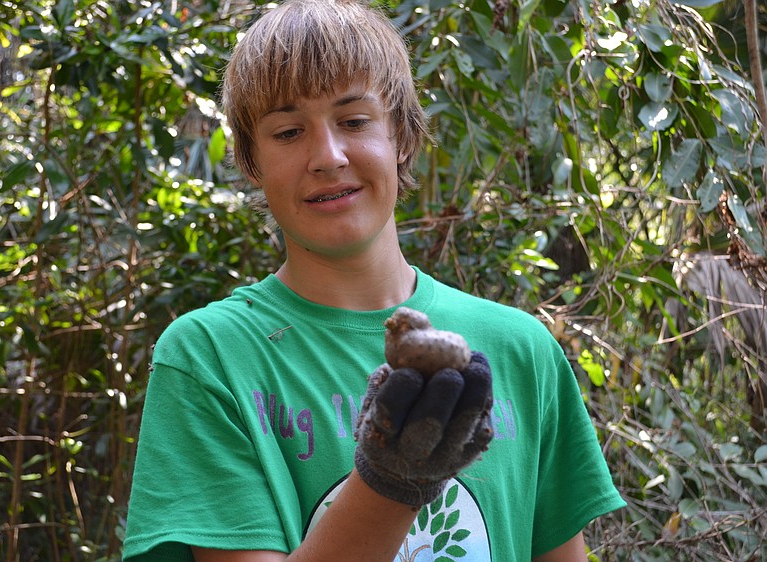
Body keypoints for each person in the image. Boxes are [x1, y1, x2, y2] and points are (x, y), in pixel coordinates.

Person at [122, 1, 626, 561]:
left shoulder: (522, 351)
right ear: (251, 161)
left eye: (355, 121)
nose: (328, 156)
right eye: (288, 131)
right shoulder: (210, 358)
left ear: (402, 136)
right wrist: (391, 482)